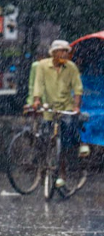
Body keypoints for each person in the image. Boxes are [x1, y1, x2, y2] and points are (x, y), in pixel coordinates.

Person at [32, 40, 87, 188]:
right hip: (49, 107)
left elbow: (77, 88)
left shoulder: (71, 67)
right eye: (61, 51)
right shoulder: (43, 65)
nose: (64, 54)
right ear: (54, 53)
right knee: (47, 139)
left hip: (66, 106)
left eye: (66, 52)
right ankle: (46, 166)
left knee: (64, 141)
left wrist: (76, 106)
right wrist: (36, 100)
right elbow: (38, 84)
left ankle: (64, 169)